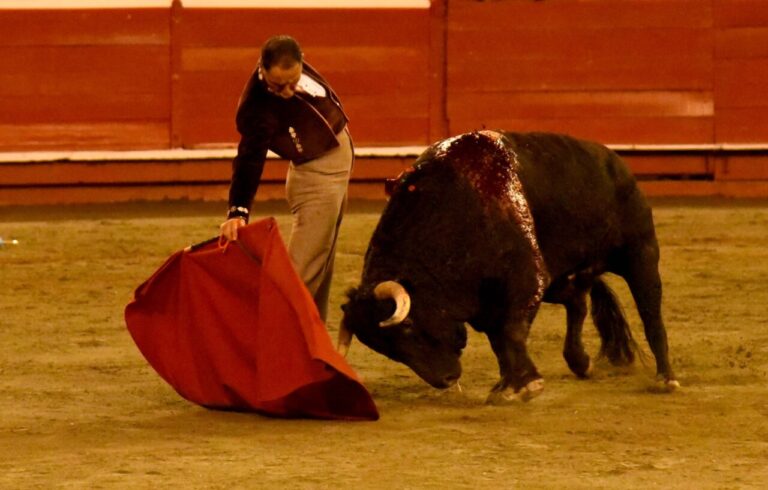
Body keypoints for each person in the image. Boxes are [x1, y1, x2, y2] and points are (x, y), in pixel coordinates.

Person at [219, 35, 353, 323]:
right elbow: (250, 158)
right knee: (300, 277)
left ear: (301, 62)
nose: (288, 92)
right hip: (318, 178)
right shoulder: (256, 107)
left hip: (330, 169)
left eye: (293, 81)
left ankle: (312, 343)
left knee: (320, 266)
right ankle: (270, 338)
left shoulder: (290, 62)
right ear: (262, 69)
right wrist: (238, 211)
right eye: (278, 85)